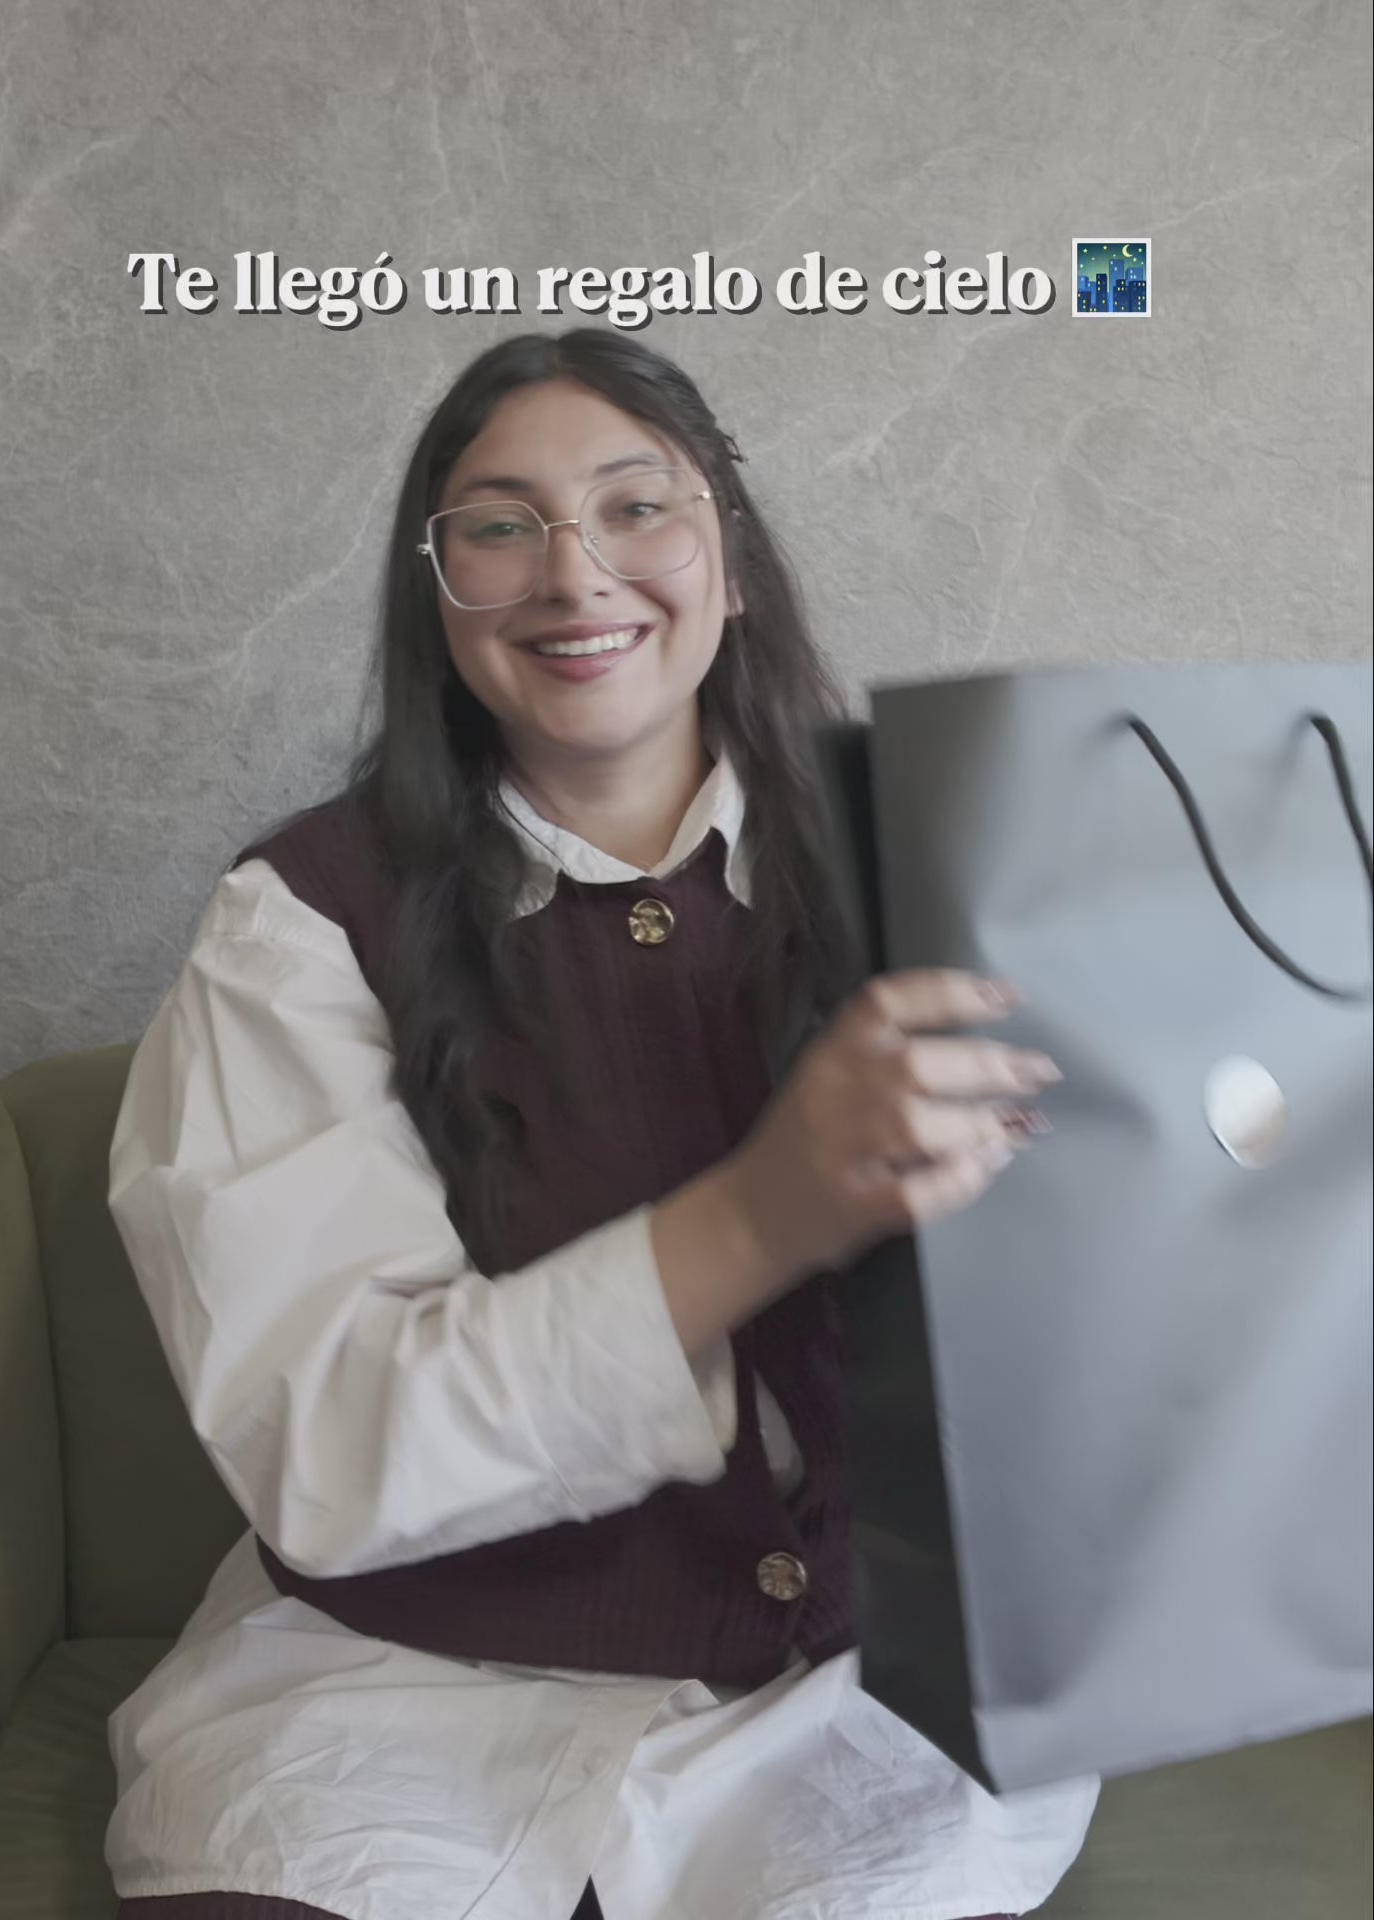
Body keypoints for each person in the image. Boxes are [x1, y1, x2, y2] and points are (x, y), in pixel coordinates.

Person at [104, 327, 1098, 1920]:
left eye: (638, 507)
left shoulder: (958, 861)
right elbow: (328, 1439)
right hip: (397, 1695)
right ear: (440, 597)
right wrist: (767, 1213)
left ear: (731, 559)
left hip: (858, 1695)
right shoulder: (294, 929)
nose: (577, 576)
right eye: (499, 526)